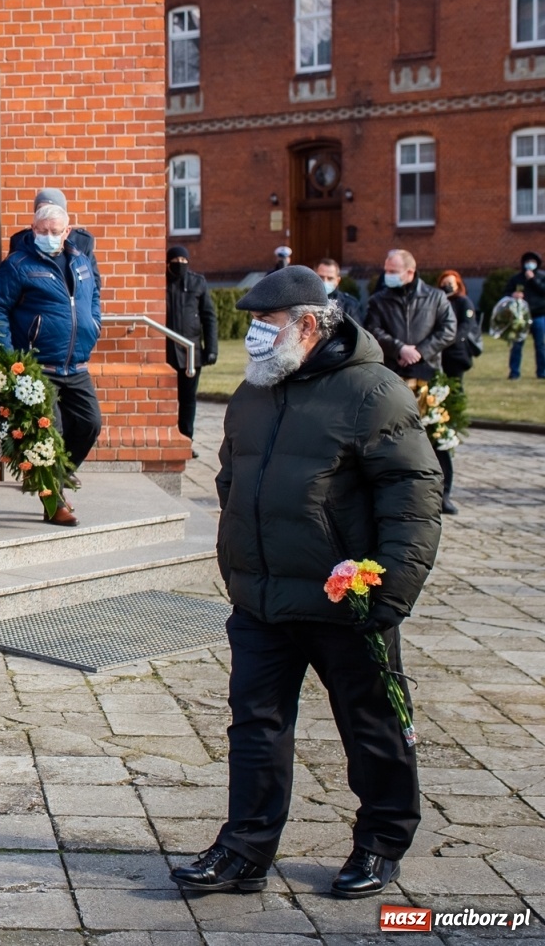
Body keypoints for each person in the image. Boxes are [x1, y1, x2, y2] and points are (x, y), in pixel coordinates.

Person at [171, 266, 442, 901]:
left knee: (370, 724)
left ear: (309, 325)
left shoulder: (373, 391)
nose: (255, 335)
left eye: (266, 324)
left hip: (346, 598)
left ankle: (382, 841)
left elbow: (413, 494)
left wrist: (388, 588)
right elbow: (231, 478)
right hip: (262, 597)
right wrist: (237, 558)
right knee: (255, 726)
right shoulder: (254, 390)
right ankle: (245, 848)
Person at [0, 201, 101, 526]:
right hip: (37, 366)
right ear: (33, 230)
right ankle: (54, 504)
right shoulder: (18, 264)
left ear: (67, 231)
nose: (48, 236)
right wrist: (10, 358)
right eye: (42, 230)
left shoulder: (80, 260)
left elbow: (94, 295)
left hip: (76, 365)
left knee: (90, 424)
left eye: (55, 231)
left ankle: (58, 477)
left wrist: (94, 324)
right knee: (49, 434)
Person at [364, 249, 455, 383]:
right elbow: (372, 330)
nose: (387, 276)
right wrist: (399, 349)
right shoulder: (378, 300)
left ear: (410, 272)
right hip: (391, 370)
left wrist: (420, 351)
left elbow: (448, 329)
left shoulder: (436, 297)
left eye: (393, 272)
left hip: (427, 369)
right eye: (386, 271)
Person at [434, 270, 480, 516]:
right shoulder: (438, 302)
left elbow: (465, 327)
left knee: (452, 399)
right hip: (436, 359)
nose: (447, 286)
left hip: (455, 357)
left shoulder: (463, 302)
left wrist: (447, 341)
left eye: (450, 283)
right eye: (444, 283)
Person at [165, 246, 218, 440]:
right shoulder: (161, 282)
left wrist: (211, 349)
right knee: (166, 399)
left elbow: (209, 317)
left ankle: (186, 439)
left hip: (191, 352)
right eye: (176, 260)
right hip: (166, 352)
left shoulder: (197, 282)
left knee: (188, 399)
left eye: (183, 260)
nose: (180, 264)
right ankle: (169, 438)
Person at [8, 188, 97, 263]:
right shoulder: (21, 240)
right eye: (41, 210)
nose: (47, 214)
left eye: (52, 210)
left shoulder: (81, 241)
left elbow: (90, 276)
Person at [504, 251, 545, 379]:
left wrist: (532, 279)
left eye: (532, 262)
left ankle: (542, 372)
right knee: (517, 344)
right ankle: (514, 373)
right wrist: (512, 295)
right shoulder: (516, 278)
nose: (530, 264)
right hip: (520, 316)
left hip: (539, 314)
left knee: (540, 345)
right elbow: (506, 293)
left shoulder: (542, 277)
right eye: (527, 261)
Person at [313, 258, 364, 324]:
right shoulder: (304, 301)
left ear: (337, 281)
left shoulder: (350, 305)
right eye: (321, 277)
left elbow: (356, 329)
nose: (325, 281)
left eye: (330, 278)